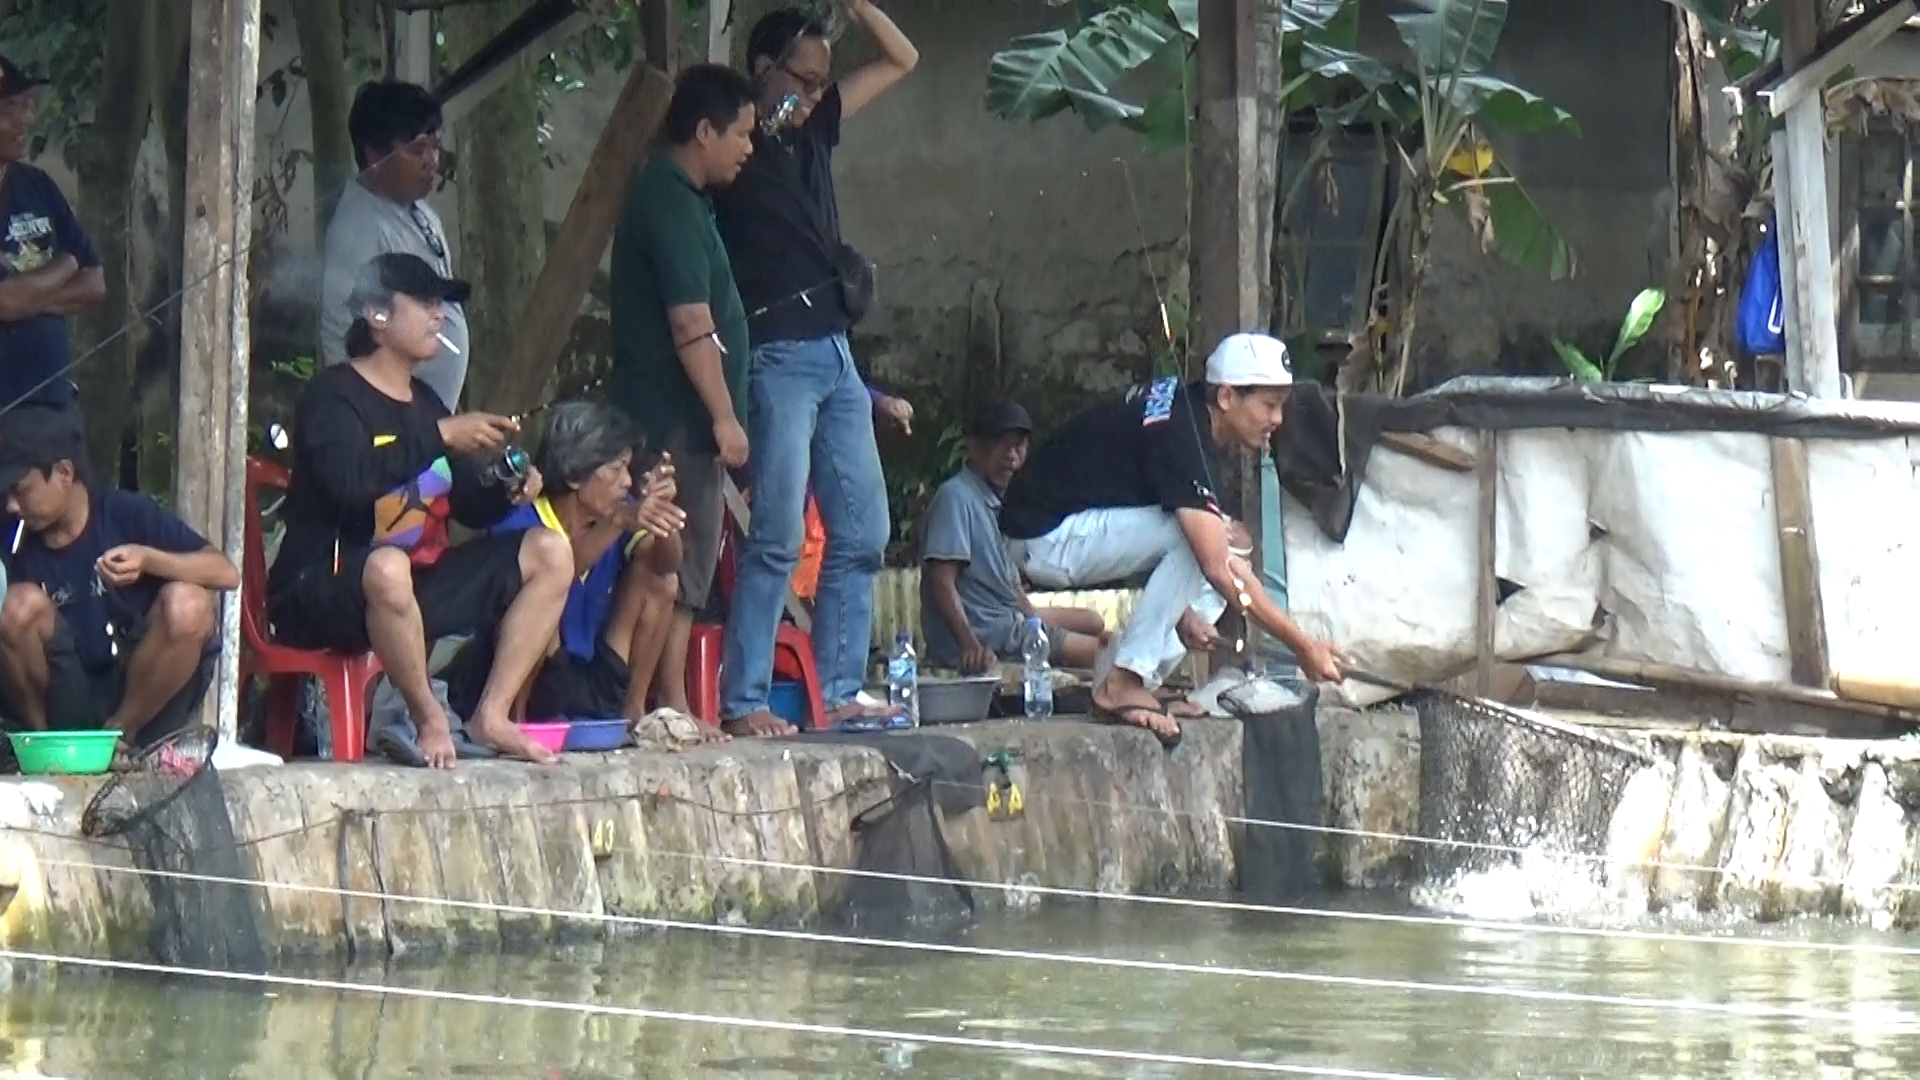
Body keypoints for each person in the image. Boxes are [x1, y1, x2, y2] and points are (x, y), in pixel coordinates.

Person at [268, 252, 573, 767]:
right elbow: (348, 481)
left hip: (411, 590)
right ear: (377, 315)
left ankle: (491, 716)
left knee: (552, 551)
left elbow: (463, 506)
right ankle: (430, 719)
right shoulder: (332, 396)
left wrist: (509, 486)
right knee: (387, 567)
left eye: (442, 306)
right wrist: (440, 435)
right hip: (324, 588)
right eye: (427, 303)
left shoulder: (428, 402)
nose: (440, 316)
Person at [711, 3, 920, 736]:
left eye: (821, 82)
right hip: (777, 353)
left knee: (864, 528)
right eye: (801, 79)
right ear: (762, 71)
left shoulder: (817, 129)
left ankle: (836, 690)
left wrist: (859, 8)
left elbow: (902, 60)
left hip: (833, 351)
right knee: (776, 532)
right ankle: (743, 701)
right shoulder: (737, 152)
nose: (813, 95)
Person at [999, 333, 1345, 746]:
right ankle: (1124, 680)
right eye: (1269, 405)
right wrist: (1302, 646)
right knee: (1206, 545)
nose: (1278, 420)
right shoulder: (1184, 436)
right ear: (1228, 396)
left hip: (1065, 526)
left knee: (1216, 542)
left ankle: (1141, 680)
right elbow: (1218, 567)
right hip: (1041, 536)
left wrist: (1183, 613)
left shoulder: (1187, 413)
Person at [609, 63, 762, 730]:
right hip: (673, 418)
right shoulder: (669, 199)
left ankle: (669, 698)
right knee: (667, 559)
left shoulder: (684, 198)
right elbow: (689, 319)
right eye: (742, 134)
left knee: (690, 567)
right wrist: (725, 416)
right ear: (704, 130)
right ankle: (652, 701)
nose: (749, 148)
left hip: (684, 420)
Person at [441, 402, 714, 736]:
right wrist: (616, 523)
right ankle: (513, 721)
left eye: (627, 469)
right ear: (573, 476)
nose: (627, 482)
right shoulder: (522, 516)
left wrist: (664, 517)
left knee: (663, 582)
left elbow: (666, 563)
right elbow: (560, 571)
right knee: (540, 595)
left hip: (594, 671)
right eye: (615, 469)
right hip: (538, 675)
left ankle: (633, 712)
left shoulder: (617, 513)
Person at [0, 406, 238, 748]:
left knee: (190, 605)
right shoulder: (14, 539)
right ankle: (38, 746)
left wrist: (149, 559)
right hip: (66, 697)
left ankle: (119, 739)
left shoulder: (124, 512)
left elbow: (226, 572)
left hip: (140, 695)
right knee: (17, 606)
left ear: (64, 473)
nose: (12, 505)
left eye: (22, 491)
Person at [920, 401, 1107, 675]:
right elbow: (942, 582)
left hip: (1010, 618)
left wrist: (1035, 623)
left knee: (1093, 621)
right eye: (1001, 445)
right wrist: (969, 645)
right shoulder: (956, 497)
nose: (1011, 456)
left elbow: (1012, 587)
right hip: (990, 632)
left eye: (1018, 446)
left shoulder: (1000, 503)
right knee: (1113, 655)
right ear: (974, 447)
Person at [319, 79, 468, 410]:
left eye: (436, 146)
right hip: (391, 418)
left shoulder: (421, 211)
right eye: (417, 150)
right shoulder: (358, 231)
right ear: (374, 154)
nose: (432, 160)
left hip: (429, 410)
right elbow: (347, 344)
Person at [0, 54, 105, 412]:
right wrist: (65, 265)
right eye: (9, 109)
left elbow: (95, 283)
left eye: (28, 105)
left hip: (54, 406)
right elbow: (4, 301)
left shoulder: (38, 186)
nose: (25, 119)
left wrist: (27, 298)